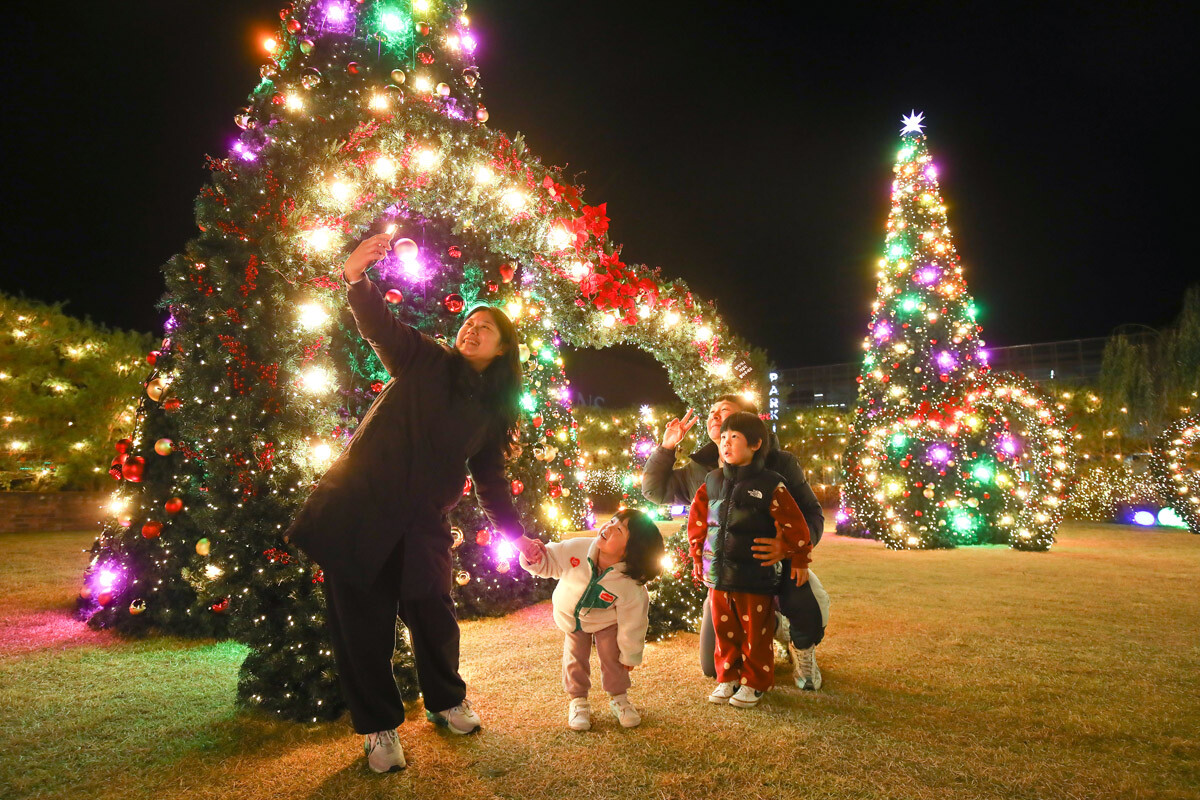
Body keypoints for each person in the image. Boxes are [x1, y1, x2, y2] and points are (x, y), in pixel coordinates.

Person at [285, 231, 546, 774]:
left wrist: (513, 533)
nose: (472, 328)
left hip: (422, 524)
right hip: (359, 510)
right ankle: (379, 729)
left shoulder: (494, 412)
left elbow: (492, 478)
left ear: (504, 349)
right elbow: (383, 329)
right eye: (469, 322)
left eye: (487, 327)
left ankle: (447, 702)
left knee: (433, 614)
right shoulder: (424, 359)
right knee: (363, 625)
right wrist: (356, 279)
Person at [642, 395, 830, 690]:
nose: (716, 416)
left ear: (752, 427)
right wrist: (667, 448)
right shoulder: (699, 470)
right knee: (710, 666)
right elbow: (654, 491)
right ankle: (772, 627)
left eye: (725, 412)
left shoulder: (781, 464)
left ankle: (801, 646)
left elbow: (811, 514)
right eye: (712, 412)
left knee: (803, 599)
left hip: (772, 566)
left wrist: (789, 548)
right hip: (727, 573)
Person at [687, 412, 812, 708]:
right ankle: (727, 676)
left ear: (756, 444)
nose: (726, 444)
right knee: (723, 628)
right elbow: (698, 522)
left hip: (755, 577)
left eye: (735, 438)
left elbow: (796, 524)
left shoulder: (771, 483)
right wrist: (697, 557)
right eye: (723, 438)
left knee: (756, 632)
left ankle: (756, 682)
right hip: (719, 576)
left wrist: (799, 559)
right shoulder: (712, 480)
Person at [519, 509, 665, 732]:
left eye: (619, 529)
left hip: (606, 621)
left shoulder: (630, 584)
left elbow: (633, 621)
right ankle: (578, 701)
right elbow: (549, 562)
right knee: (575, 658)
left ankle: (619, 699)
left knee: (612, 657)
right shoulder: (576, 549)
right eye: (612, 520)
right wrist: (534, 557)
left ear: (631, 550)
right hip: (572, 618)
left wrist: (630, 653)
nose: (608, 527)